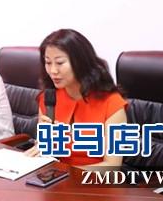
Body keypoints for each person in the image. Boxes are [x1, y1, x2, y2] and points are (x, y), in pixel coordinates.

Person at [25, 29, 127, 168]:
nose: (53, 71)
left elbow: (112, 166)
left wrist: (67, 174)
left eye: (60, 63)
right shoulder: (49, 98)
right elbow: (47, 152)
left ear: (80, 62)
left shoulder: (111, 102)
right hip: (57, 176)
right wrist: (43, 145)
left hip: (94, 179)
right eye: (48, 63)